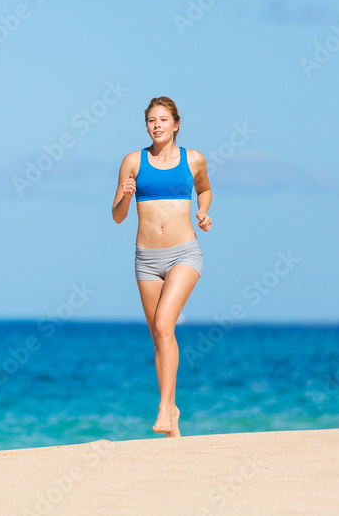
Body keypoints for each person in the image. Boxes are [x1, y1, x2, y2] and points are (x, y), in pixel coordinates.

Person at [111, 97, 212, 438]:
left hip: (185, 253)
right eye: (151, 120)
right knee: (159, 335)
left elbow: (205, 189)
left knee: (165, 323)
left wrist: (203, 211)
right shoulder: (133, 162)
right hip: (146, 259)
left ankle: (165, 408)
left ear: (176, 124)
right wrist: (125, 194)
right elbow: (117, 216)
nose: (157, 125)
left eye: (163, 120)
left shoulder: (193, 159)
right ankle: (172, 413)